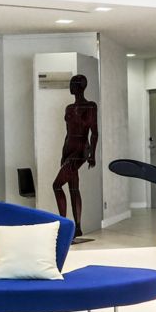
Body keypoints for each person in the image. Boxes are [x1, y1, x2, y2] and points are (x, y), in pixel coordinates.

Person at [52, 74, 98, 237]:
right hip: (69, 149)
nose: (70, 87)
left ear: (80, 86)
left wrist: (92, 153)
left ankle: (64, 224)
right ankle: (77, 227)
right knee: (73, 187)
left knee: (57, 185)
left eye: (73, 84)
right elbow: (67, 133)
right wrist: (63, 154)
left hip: (80, 149)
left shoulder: (90, 106)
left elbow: (94, 132)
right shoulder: (69, 108)